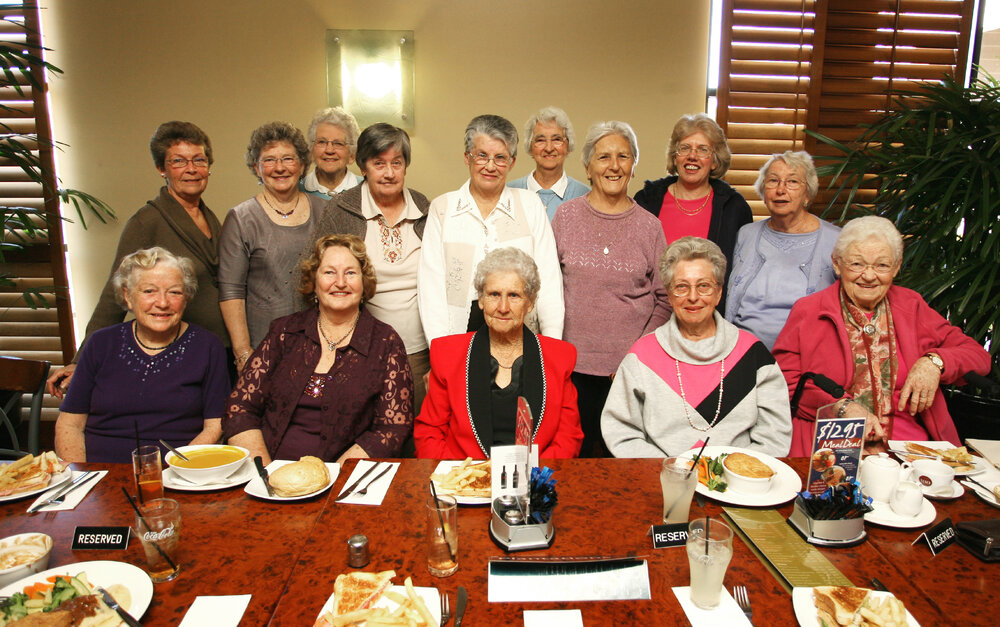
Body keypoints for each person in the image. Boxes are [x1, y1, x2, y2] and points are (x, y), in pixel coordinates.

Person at [773, 216, 992, 456]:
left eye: (882, 266)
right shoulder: (809, 311)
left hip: (907, 449)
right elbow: (783, 382)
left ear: (896, 267)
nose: (868, 276)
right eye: (857, 264)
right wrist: (840, 408)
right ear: (837, 264)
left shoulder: (912, 306)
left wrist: (934, 362)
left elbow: (978, 356)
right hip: (834, 445)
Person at [46, 121, 228, 396]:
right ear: (161, 169)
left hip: (220, 349)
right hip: (180, 353)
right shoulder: (147, 221)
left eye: (199, 160)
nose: (191, 169)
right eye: (178, 161)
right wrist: (79, 361)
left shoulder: (209, 216)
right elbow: (115, 294)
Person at [223, 234, 413, 465]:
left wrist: (338, 475)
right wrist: (264, 471)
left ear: (364, 283)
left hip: (343, 478)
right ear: (314, 281)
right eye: (329, 272)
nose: (340, 282)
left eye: (351, 273)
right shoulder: (284, 332)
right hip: (269, 471)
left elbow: (392, 428)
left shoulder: (386, 342)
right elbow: (240, 408)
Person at [602, 237, 791, 458]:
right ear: (670, 295)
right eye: (681, 287)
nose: (693, 297)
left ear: (719, 292)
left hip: (739, 484)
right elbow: (621, 432)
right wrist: (671, 473)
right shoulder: (642, 356)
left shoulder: (753, 355)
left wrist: (733, 473)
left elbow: (774, 436)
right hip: (662, 481)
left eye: (704, 286)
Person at [551, 121, 669, 457]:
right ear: (587, 166)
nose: (614, 166)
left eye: (623, 156)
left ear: (633, 166)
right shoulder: (565, 216)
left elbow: (664, 299)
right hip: (570, 369)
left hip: (629, 372)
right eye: (603, 157)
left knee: (623, 463)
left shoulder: (650, 226)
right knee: (572, 462)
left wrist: (635, 356)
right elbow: (546, 288)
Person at [54, 248, 229, 463]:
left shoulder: (208, 346)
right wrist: (81, 476)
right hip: (98, 473)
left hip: (177, 474)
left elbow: (215, 426)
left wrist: (177, 469)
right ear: (127, 296)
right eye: (149, 291)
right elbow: (70, 424)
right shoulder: (100, 343)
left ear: (186, 298)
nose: (163, 303)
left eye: (174, 292)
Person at [415, 248, 582, 458]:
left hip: (534, 479)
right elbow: (429, 432)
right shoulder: (447, 355)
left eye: (514, 295)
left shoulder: (558, 357)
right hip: (465, 479)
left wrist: (531, 479)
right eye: (494, 294)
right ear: (481, 300)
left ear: (530, 302)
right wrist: (463, 479)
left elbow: (568, 437)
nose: (503, 307)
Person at [310, 123, 432, 411]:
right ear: (363, 167)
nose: (389, 173)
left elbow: (446, 285)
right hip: (357, 351)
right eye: (379, 163)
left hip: (419, 353)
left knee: (415, 439)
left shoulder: (425, 209)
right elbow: (312, 274)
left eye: (396, 163)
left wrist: (440, 357)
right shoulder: (342, 210)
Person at [418, 114, 563, 342]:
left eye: (500, 158)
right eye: (482, 156)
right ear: (467, 158)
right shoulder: (442, 209)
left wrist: (553, 345)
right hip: (458, 337)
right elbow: (431, 289)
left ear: (512, 162)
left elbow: (549, 280)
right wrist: (439, 351)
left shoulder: (530, 205)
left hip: (521, 338)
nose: (490, 166)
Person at [219, 122, 325, 371]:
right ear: (256, 167)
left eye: (288, 158)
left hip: (320, 346)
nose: (279, 168)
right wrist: (244, 355)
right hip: (263, 351)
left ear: (301, 165)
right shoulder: (241, 218)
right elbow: (231, 292)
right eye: (269, 160)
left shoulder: (323, 211)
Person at [634, 113, 752, 310]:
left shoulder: (734, 208)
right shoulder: (646, 200)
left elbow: (741, 275)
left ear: (714, 161)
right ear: (675, 156)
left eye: (703, 150)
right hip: (652, 317)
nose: (692, 156)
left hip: (708, 319)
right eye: (685, 148)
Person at [726, 151, 840, 350]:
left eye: (792, 182)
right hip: (742, 353)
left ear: (807, 194)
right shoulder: (746, 235)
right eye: (773, 181)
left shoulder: (836, 240)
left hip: (806, 356)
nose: (780, 189)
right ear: (763, 191)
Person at [508, 106, 589, 220]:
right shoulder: (509, 192)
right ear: (530, 148)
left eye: (557, 139)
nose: (549, 148)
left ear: (568, 146)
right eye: (540, 140)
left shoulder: (585, 195)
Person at [301, 107, 362, 199]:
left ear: (352, 155)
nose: (329, 150)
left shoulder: (366, 190)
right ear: (311, 150)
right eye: (322, 142)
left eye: (338, 143)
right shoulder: (297, 189)